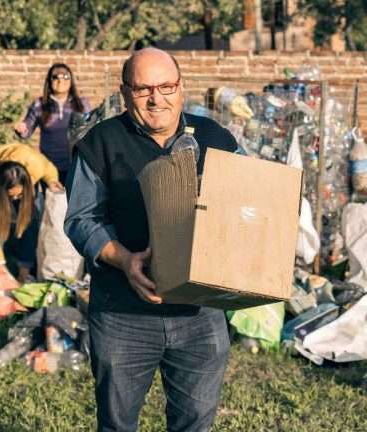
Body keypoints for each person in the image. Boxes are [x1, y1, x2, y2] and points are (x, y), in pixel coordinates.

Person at [64, 48, 238, 432]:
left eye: (166, 86)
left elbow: (247, 203)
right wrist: (125, 260)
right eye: (143, 89)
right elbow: (81, 219)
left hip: (199, 315)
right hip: (123, 313)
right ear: (125, 93)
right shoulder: (101, 144)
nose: (156, 98)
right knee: (118, 423)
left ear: (181, 87)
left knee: (194, 423)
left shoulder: (217, 139)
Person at [0, 143, 62, 282]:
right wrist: (0, 265)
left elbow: (50, 170)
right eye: (10, 196)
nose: (14, 199)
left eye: (18, 195)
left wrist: (51, 181)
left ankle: (25, 270)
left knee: (31, 218)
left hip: (26, 166)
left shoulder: (35, 165)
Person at [14, 63, 91, 183]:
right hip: (49, 169)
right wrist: (22, 130)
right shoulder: (39, 105)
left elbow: (91, 129)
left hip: (76, 167)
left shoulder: (82, 104)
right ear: (49, 81)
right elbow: (27, 130)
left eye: (66, 76)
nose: (61, 80)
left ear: (71, 80)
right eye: (55, 77)